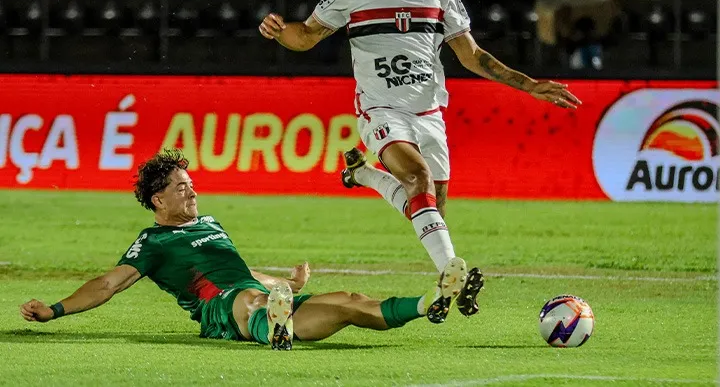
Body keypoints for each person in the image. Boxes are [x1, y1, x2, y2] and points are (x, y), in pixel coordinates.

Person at [257, 0, 582, 318]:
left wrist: (530, 85)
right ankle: (453, 275)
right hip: (380, 108)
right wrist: (278, 30)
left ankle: (364, 175)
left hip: (430, 114)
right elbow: (305, 36)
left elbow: (472, 56)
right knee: (417, 178)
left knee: (428, 207)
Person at [19, 149, 470, 350]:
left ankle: (430, 302)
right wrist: (54, 310)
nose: (192, 192)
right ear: (158, 200)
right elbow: (106, 285)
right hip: (221, 310)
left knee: (349, 303)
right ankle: (272, 324)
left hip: (256, 294)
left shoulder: (211, 224)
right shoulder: (152, 242)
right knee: (249, 299)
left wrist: (287, 283)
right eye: (181, 188)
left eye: (192, 185)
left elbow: (243, 270)